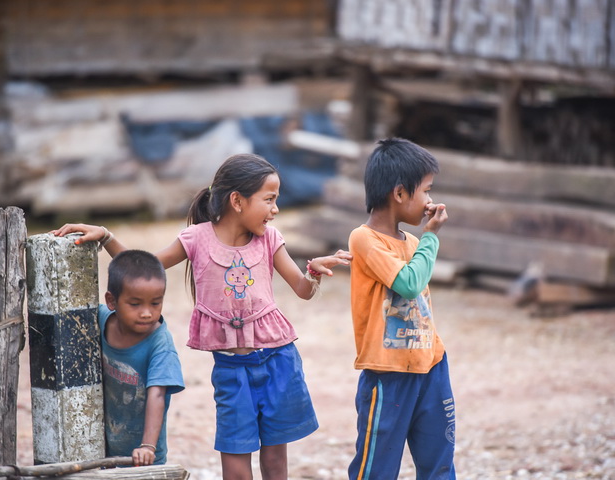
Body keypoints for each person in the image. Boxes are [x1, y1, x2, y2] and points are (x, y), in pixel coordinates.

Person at [52, 153, 352, 480]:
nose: (276, 209)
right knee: (235, 461)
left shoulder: (270, 240)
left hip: (278, 360)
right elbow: (140, 267)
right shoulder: (196, 238)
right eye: (269, 199)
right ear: (237, 201)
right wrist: (107, 236)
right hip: (231, 369)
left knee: (275, 459)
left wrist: (314, 271)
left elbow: (302, 290)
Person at [347, 138, 454, 479]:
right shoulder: (364, 239)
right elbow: (408, 284)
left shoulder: (412, 242)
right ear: (399, 193)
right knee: (377, 469)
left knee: (439, 465)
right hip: (387, 372)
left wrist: (425, 240)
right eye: (426, 191)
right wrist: (432, 236)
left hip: (431, 364)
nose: (430, 201)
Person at [100, 249, 185, 466]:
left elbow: (157, 394)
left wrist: (148, 446)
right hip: (103, 448)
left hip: (145, 456)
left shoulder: (160, 344)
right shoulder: (100, 319)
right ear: (112, 301)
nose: (147, 313)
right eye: (135, 304)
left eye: (155, 303)